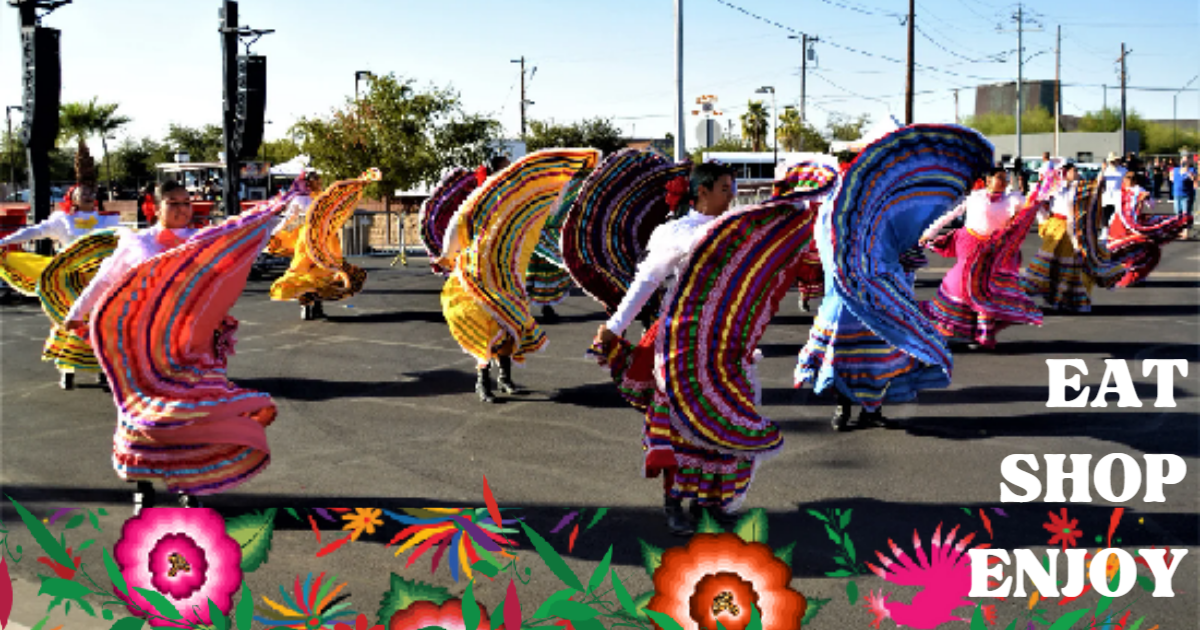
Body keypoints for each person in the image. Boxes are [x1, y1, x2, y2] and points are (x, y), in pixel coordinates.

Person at [65, 180, 287, 512]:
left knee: (192, 414)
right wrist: (77, 313)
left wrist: (278, 210)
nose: (183, 208)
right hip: (142, 348)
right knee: (142, 415)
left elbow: (245, 241)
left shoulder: (203, 241)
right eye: (173, 202)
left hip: (191, 346)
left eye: (187, 202)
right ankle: (143, 484)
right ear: (154, 206)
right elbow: (107, 279)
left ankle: (191, 484)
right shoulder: (138, 243)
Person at [593, 162, 748, 534]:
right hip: (680, 338)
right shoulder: (675, 233)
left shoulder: (737, 229)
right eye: (725, 188)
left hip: (720, 339)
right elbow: (645, 283)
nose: (732, 195)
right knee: (678, 423)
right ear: (703, 192)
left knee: (719, 418)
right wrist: (615, 326)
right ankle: (673, 501)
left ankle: (707, 501)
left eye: (732, 188)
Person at [0, 144, 122, 389]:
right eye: (82, 192)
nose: (88, 194)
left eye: (91, 191)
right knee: (69, 321)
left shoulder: (109, 220)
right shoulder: (63, 221)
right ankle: (67, 369)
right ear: (73, 198)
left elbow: (128, 241)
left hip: (101, 279)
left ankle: (101, 370)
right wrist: (4, 241)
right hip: (69, 280)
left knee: (100, 322)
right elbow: (34, 231)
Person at [919, 166, 1037, 348]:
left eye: (1006, 179)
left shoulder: (1013, 199)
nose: (1004, 182)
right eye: (1000, 178)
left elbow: (1032, 204)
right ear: (988, 180)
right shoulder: (975, 197)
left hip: (995, 249)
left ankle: (982, 333)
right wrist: (929, 232)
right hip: (970, 244)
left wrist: (1043, 190)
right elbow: (950, 215)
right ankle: (955, 329)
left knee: (987, 290)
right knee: (960, 284)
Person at [1021, 162, 1093, 312]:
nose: (1077, 172)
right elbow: (1038, 204)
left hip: (1072, 228)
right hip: (1056, 226)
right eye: (1074, 170)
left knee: (1068, 264)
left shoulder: (1079, 187)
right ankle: (1032, 295)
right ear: (1065, 171)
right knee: (1047, 262)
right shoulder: (1054, 188)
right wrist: (1043, 222)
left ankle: (1061, 299)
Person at [1107, 171, 1191, 286]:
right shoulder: (1121, 193)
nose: (1129, 181)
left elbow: (1150, 206)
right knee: (1123, 251)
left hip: (1135, 224)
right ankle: (1125, 275)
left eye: (1131, 178)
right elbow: (1114, 206)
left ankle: (1135, 276)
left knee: (1140, 250)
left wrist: (1143, 200)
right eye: (1127, 178)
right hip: (1121, 226)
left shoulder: (1138, 191)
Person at [1100, 153, 1127, 239]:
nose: (1113, 162)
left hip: (1118, 195)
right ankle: (1105, 232)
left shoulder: (1123, 171)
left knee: (1118, 214)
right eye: (1111, 161)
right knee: (1105, 214)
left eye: (1115, 161)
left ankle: (1118, 232)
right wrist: (1102, 170)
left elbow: (1127, 182)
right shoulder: (1106, 171)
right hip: (1107, 195)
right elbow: (1099, 180)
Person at [1169, 157, 1196, 239]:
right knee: (1178, 214)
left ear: (1188, 162)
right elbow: (1171, 177)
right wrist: (1172, 176)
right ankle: (1179, 231)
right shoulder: (1176, 169)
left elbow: (1194, 179)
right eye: (1183, 161)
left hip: (1186, 195)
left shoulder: (1191, 170)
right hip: (1177, 194)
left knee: (1185, 214)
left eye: (1186, 161)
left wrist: (1188, 171)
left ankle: (1185, 233)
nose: (1184, 162)